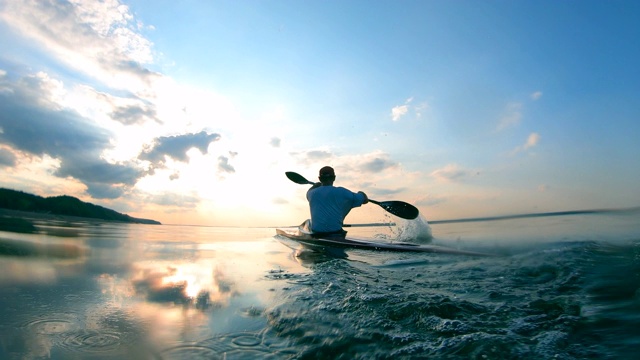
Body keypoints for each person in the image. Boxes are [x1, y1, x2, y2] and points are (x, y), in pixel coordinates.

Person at [306, 166, 368, 238]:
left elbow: (309, 191)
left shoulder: (311, 193)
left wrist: (316, 185)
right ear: (334, 178)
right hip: (336, 234)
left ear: (320, 179)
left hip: (317, 234)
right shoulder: (342, 192)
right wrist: (361, 193)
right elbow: (365, 200)